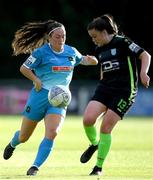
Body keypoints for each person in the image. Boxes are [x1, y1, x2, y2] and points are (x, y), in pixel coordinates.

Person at [3, 19, 98, 176]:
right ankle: (13, 143)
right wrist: (36, 79)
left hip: (60, 100)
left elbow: (84, 60)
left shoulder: (71, 51)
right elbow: (24, 68)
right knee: (24, 136)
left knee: (52, 133)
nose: (61, 40)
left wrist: (92, 60)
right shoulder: (40, 53)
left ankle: (35, 167)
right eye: (57, 37)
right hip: (39, 97)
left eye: (64, 36)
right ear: (49, 37)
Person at [80, 14, 151, 176]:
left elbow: (145, 55)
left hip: (124, 91)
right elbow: (104, 66)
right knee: (88, 120)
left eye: (95, 36)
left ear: (105, 32)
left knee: (105, 128)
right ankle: (94, 144)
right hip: (105, 88)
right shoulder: (99, 48)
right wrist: (102, 78)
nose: (93, 40)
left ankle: (98, 167)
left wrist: (143, 73)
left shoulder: (122, 42)